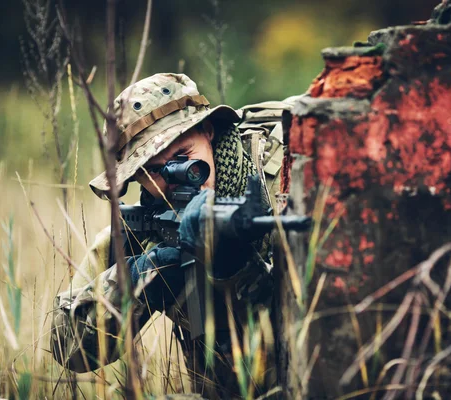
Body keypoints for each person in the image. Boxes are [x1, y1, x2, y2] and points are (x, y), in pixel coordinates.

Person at [50, 73, 285, 397]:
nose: (173, 179)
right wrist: (136, 279)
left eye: (183, 157)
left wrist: (234, 267)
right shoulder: (145, 229)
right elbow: (68, 350)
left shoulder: (283, 181)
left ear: (208, 130)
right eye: (151, 171)